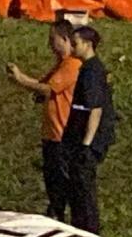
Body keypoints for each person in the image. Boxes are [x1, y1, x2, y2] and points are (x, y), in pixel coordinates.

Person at [7, 20, 81, 222]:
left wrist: (22, 79)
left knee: (61, 178)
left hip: (62, 133)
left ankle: (63, 215)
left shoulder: (72, 65)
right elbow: (43, 86)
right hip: (51, 133)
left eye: (53, 39)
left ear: (65, 39)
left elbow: (49, 89)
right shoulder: (60, 66)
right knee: (52, 178)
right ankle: (55, 210)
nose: (50, 45)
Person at [62, 26, 116, 234]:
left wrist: (86, 144)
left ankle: (88, 231)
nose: (73, 48)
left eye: (75, 44)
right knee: (78, 188)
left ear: (88, 44)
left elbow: (95, 110)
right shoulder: (88, 69)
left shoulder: (92, 72)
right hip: (82, 139)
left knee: (84, 189)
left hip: (88, 142)